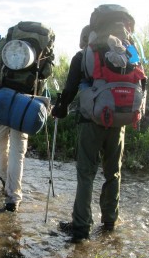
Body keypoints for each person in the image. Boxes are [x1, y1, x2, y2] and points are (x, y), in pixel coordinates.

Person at [52, 19, 130, 243]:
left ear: (87, 38)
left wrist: (61, 109)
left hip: (90, 121)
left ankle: (81, 227)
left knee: (86, 174)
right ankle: (109, 222)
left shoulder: (82, 56)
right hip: (118, 122)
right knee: (113, 172)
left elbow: (69, 90)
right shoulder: (123, 53)